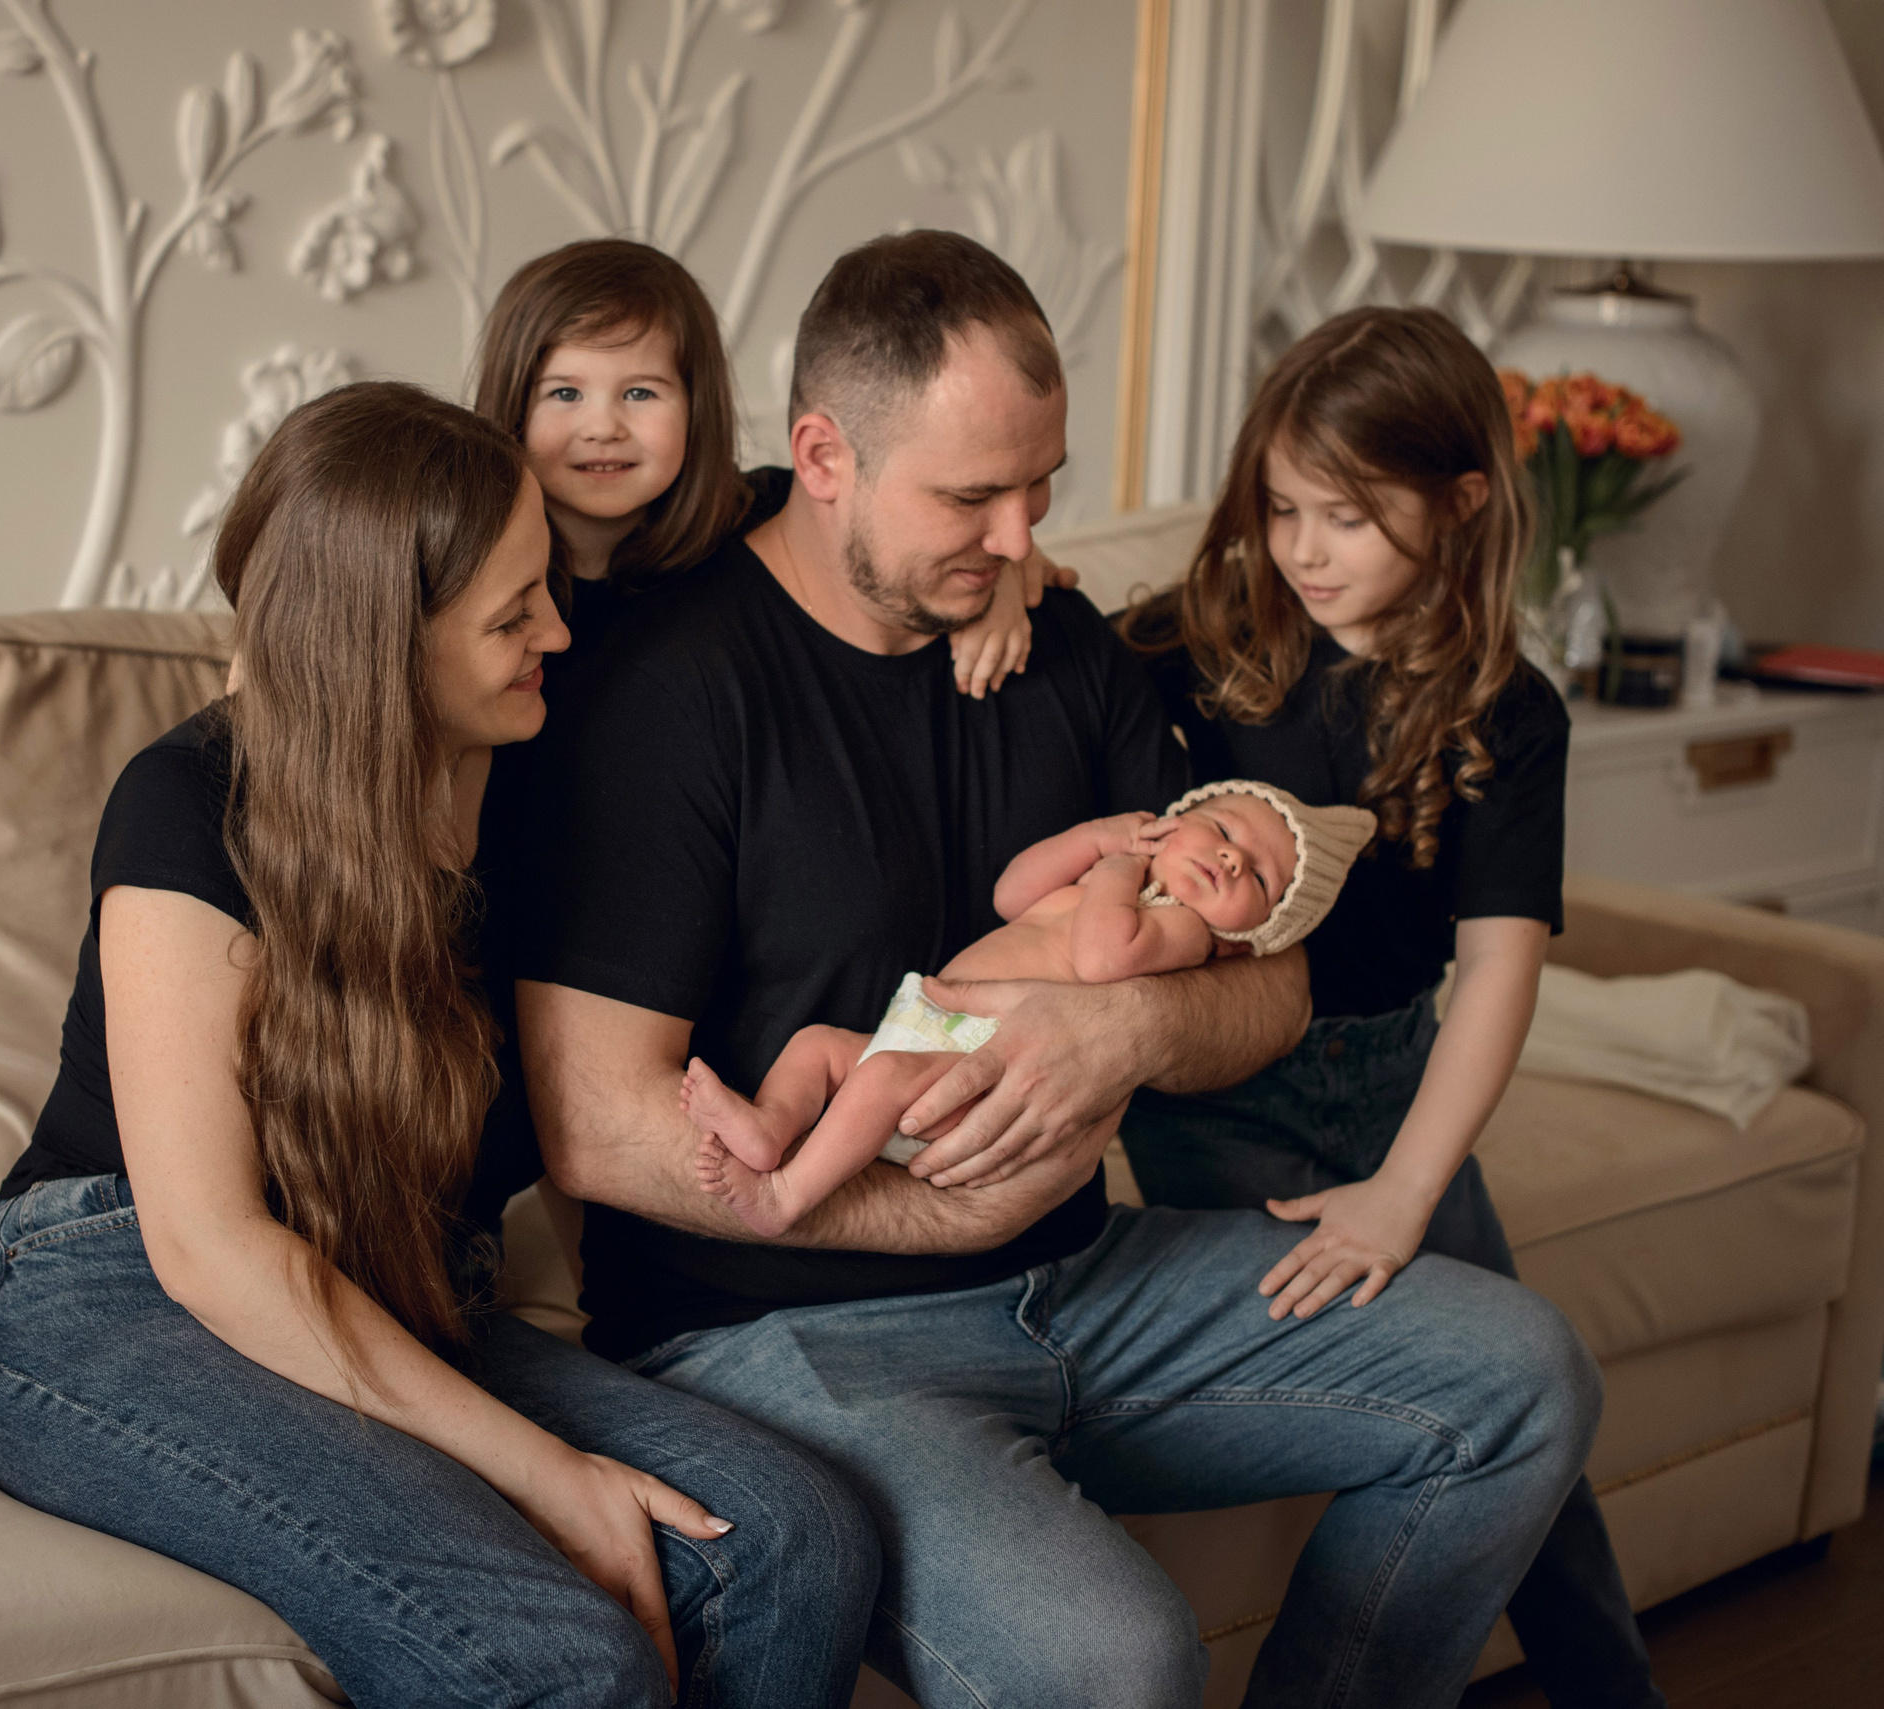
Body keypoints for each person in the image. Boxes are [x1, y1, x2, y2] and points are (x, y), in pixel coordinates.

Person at [507, 231, 1600, 1709]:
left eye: (1043, 488)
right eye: (971, 496)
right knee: (1118, 1661)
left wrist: (1131, 1032)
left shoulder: (1066, 646)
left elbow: (1271, 980)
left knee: (1524, 1378)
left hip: (1087, 1281)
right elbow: (592, 1120)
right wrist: (950, 1199)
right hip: (785, 1334)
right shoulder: (666, 691)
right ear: (821, 455)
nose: (1020, 536)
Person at [0, 381, 879, 1709]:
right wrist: (553, 1478)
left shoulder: (543, 751)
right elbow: (210, 1248)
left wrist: (1004, 571)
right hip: (114, 1284)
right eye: (512, 613)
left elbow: (767, 523)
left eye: (548, 583)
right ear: (380, 643)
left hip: (388, 1272)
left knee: (794, 1541)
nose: (555, 624)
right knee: (564, 1662)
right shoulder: (192, 805)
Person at [1117, 305, 1666, 1709]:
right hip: (1223, 1102)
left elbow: (1497, 961)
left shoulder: (1507, 708)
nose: (1303, 550)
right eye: (1284, 509)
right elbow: (1051, 664)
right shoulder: (1207, 643)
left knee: (1538, 1421)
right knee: (1400, 1378)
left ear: (1462, 501)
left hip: (1396, 1086)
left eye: (1347, 518)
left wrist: (1409, 1189)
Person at [684, 782, 1376, 1236]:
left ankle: (783, 1198)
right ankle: (770, 1129)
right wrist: (1096, 840)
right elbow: (1013, 894)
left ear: (1248, 937)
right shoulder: (1114, 875)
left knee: (880, 1076)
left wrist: (1114, 872)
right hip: (931, 1030)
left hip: (982, 1068)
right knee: (817, 1044)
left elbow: (1108, 959)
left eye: (1257, 876)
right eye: (1222, 826)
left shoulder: (1186, 930)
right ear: (1175, 819)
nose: (1229, 856)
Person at [470, 235, 1063, 697]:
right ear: (513, 405)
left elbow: (903, 538)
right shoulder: (474, 567)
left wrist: (1003, 583)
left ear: (697, 406)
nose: (603, 428)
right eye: (565, 395)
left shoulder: (756, 515)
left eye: (641, 393)